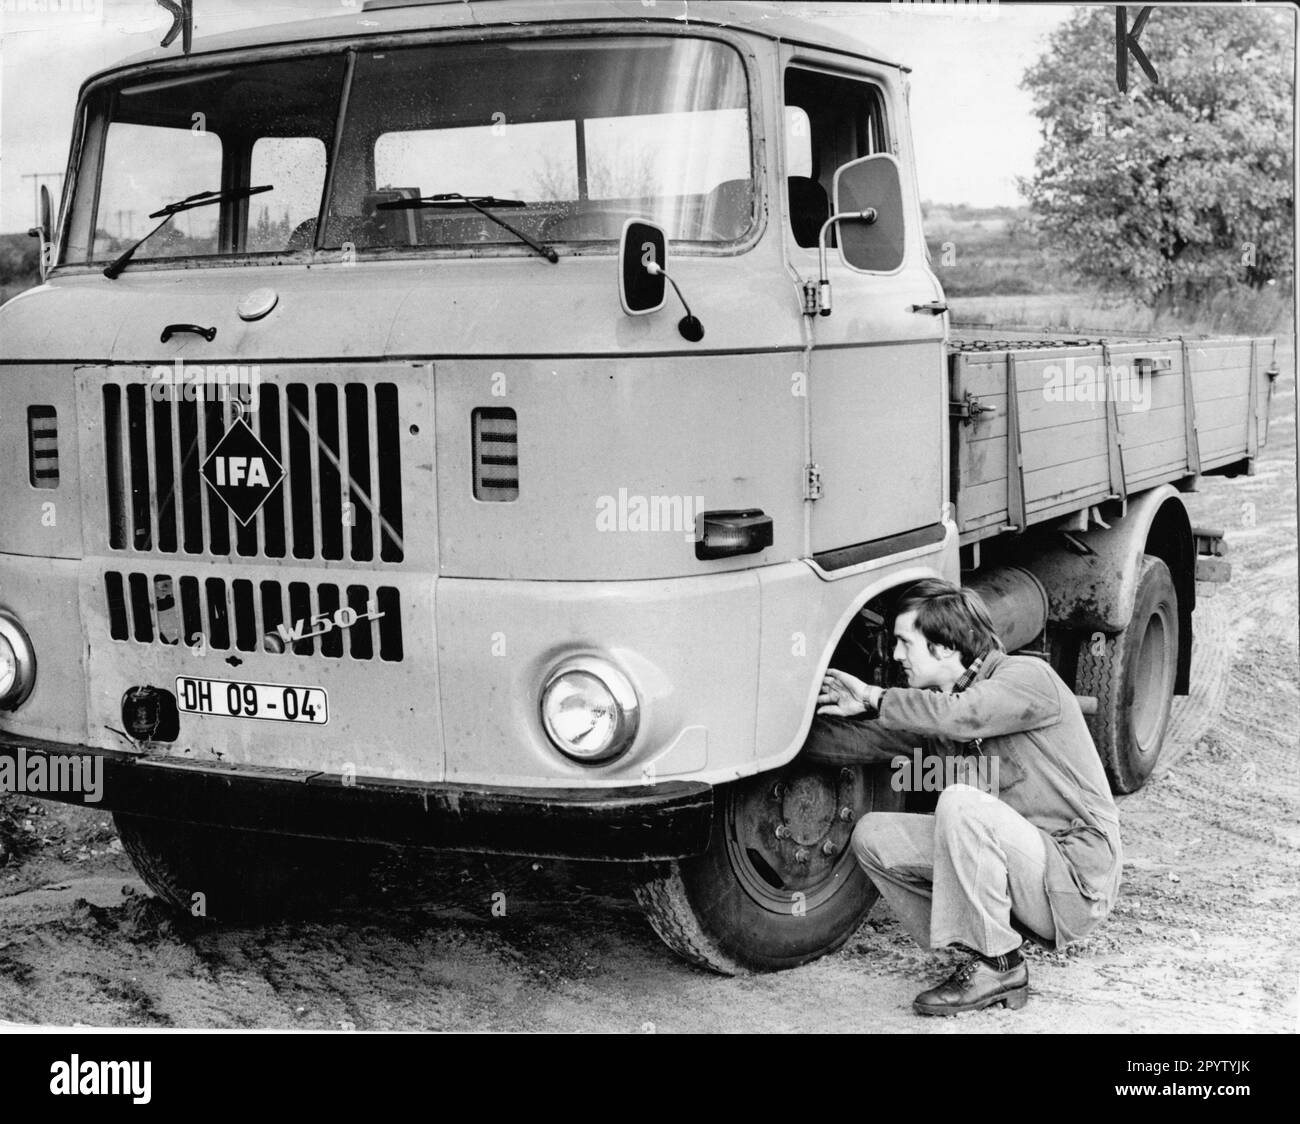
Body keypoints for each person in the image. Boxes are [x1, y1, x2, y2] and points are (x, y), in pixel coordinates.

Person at [806, 578, 1122, 1016]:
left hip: (1074, 876)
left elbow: (966, 715)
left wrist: (876, 696)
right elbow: (868, 742)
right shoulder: (943, 710)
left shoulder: (1027, 677)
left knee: (959, 801)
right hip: (1022, 869)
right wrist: (775, 738)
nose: (896, 656)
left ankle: (1000, 967)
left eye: (904, 643)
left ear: (945, 649)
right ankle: (980, 944)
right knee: (874, 835)